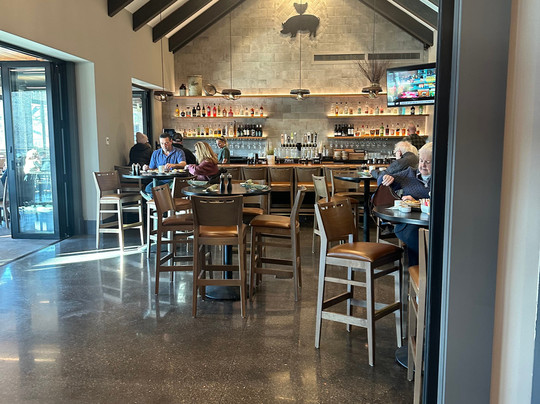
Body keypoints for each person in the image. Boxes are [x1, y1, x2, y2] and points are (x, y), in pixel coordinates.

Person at [378, 142, 433, 266]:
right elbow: (381, 181)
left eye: (427, 162)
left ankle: (421, 272)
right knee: (415, 235)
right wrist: (386, 177)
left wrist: (418, 202)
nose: (423, 165)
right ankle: (426, 270)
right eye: (421, 161)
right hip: (409, 222)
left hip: (432, 222)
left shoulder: (443, 178)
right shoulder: (409, 174)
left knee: (428, 237)